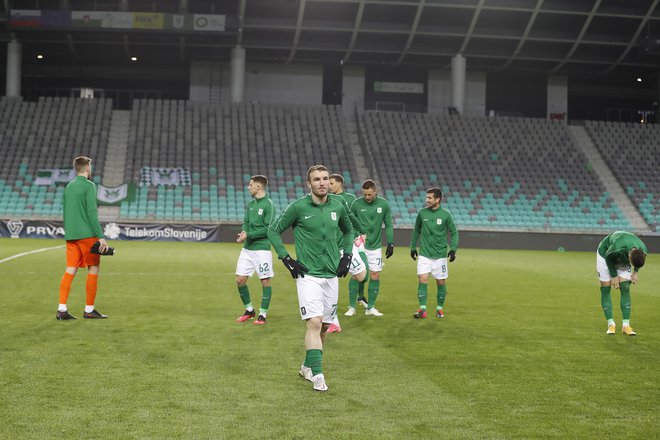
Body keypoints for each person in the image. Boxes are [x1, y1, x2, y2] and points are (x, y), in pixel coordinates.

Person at [268, 165, 354, 392]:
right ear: (309, 184)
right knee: (314, 322)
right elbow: (273, 231)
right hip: (308, 275)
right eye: (317, 179)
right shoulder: (298, 207)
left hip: (331, 274)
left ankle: (307, 366)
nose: (322, 182)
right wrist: (287, 259)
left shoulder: (338, 206)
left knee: (325, 325)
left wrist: (347, 255)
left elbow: (349, 231)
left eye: (325, 178)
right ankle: (318, 375)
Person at [57, 156, 109, 320]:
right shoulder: (89, 185)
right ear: (87, 168)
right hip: (87, 235)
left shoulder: (69, 187)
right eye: (90, 167)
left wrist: (69, 232)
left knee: (70, 270)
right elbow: (92, 213)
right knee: (93, 268)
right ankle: (89, 309)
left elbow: (66, 212)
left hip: (71, 236)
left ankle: (62, 309)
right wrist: (100, 237)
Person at [326, 174, 368, 333]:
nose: (328, 186)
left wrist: (361, 232)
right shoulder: (324, 200)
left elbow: (352, 217)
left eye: (331, 183)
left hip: (347, 245)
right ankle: (333, 321)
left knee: (362, 276)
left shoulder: (348, 200)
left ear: (339, 184)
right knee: (328, 282)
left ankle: (359, 297)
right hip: (331, 249)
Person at [409, 188, 458, 319]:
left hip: (440, 255)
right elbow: (416, 230)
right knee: (422, 279)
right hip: (424, 253)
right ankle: (422, 310)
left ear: (438, 199)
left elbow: (454, 232)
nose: (427, 200)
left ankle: (439, 309)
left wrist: (453, 249)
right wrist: (413, 247)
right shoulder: (422, 213)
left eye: (430, 198)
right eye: (427, 197)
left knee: (440, 282)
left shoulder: (446, 215)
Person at [235, 175, 276, 325]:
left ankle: (263, 314)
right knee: (240, 280)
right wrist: (243, 233)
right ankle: (249, 310)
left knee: (265, 281)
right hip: (248, 249)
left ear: (259, 187)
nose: (248, 187)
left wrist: (249, 235)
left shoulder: (269, 205)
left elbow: (268, 229)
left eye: (251, 184)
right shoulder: (251, 204)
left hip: (262, 249)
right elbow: (246, 222)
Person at [349, 179, 394, 316]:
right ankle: (352, 307)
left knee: (375, 274)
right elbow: (350, 223)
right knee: (357, 275)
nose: (367, 197)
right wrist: (357, 237)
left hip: (375, 246)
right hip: (358, 244)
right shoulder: (356, 204)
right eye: (364, 194)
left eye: (369, 194)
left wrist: (391, 243)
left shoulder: (383, 204)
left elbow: (389, 224)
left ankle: (370, 308)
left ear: (375, 191)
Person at [596, 231, 647, 336]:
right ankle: (610, 324)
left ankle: (626, 325)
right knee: (606, 288)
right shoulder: (617, 248)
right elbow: (609, 258)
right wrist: (614, 276)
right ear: (629, 256)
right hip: (605, 254)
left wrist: (635, 272)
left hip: (621, 255)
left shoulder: (643, 250)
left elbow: (639, 262)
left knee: (625, 287)